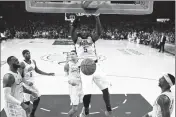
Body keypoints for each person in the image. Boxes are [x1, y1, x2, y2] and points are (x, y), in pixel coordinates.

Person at [70, 14, 113, 117]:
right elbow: (72, 31)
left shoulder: (92, 38)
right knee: (87, 92)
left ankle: (109, 110)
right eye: (82, 30)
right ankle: (86, 113)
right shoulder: (76, 39)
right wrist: (76, 19)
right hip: (84, 69)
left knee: (105, 88)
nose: (84, 31)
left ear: (88, 31)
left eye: (86, 30)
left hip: (95, 65)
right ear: (79, 31)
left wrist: (97, 17)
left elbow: (99, 32)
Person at [19, 49, 55, 117]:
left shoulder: (33, 61)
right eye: (26, 53)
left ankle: (31, 113)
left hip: (32, 83)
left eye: (29, 53)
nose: (28, 54)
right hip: (25, 84)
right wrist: (26, 82)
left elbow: (37, 70)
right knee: (31, 100)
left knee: (33, 99)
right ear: (23, 55)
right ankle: (26, 114)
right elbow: (19, 76)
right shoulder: (22, 64)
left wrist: (48, 74)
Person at [64, 50, 83, 117]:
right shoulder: (67, 64)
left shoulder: (81, 63)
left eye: (73, 54)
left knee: (87, 104)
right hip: (73, 87)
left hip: (81, 86)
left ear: (77, 55)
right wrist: (70, 81)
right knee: (75, 109)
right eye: (70, 54)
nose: (71, 55)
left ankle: (82, 115)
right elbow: (66, 77)